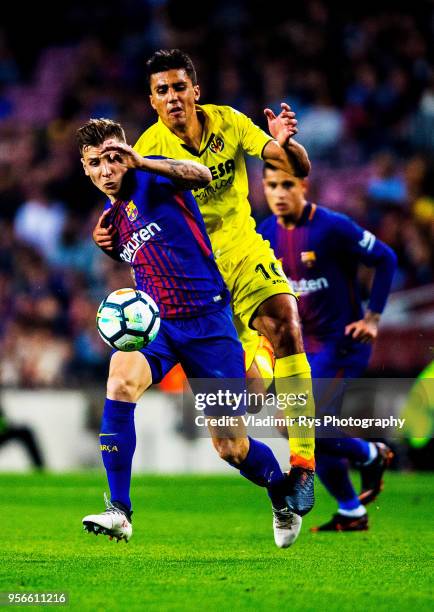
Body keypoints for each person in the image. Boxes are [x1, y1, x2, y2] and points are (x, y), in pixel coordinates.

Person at [93, 49, 316, 516]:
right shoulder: (147, 147)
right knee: (239, 424)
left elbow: (294, 165)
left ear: (195, 90)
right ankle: (263, 374)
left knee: (285, 320)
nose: (172, 98)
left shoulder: (229, 122)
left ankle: (303, 467)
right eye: (162, 91)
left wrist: (286, 143)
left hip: (240, 252)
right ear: (151, 101)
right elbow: (131, 215)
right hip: (192, 280)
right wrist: (107, 233)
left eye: (179, 87)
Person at [257, 163, 397, 531]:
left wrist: (373, 318)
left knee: (295, 425)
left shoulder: (332, 227)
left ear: (304, 186)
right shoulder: (264, 233)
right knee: (314, 427)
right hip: (299, 352)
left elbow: (386, 258)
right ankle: (352, 510)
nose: (280, 193)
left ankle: (370, 454)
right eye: (272, 185)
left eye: (287, 184)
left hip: (341, 344)